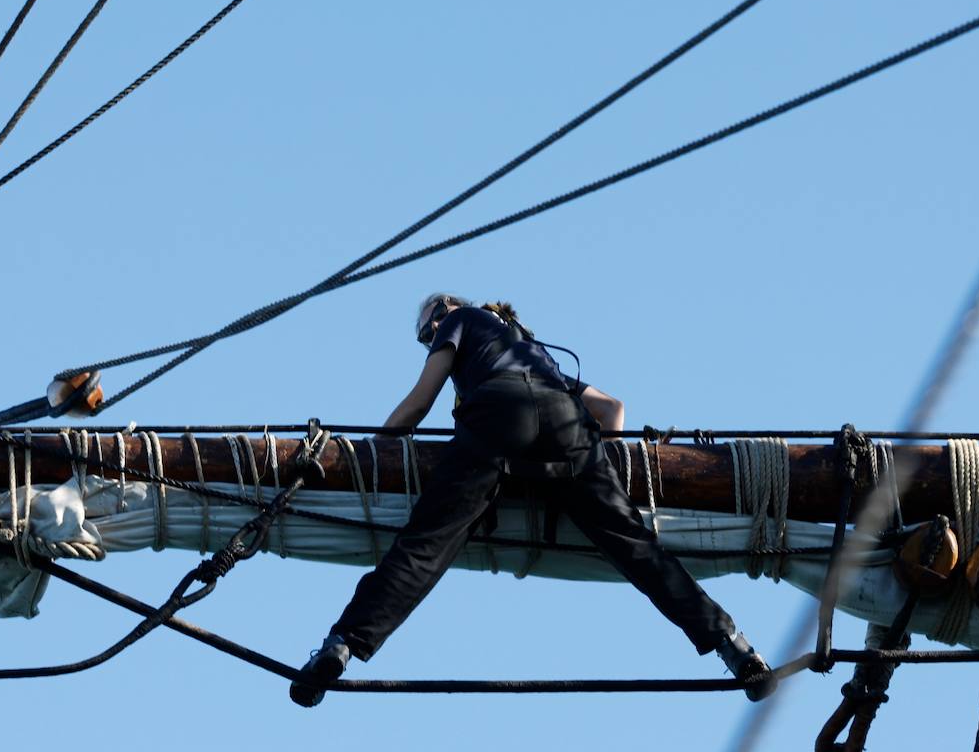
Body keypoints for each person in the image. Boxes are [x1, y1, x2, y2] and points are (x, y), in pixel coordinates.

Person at [289, 294, 775, 706]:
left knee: (426, 545)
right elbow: (611, 408)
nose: (430, 337)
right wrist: (594, 475)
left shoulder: (457, 322)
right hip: (565, 421)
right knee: (636, 547)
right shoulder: (534, 350)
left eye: (426, 333)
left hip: (499, 414)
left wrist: (375, 450)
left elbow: (419, 402)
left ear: (441, 319)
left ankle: (343, 645)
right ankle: (734, 646)